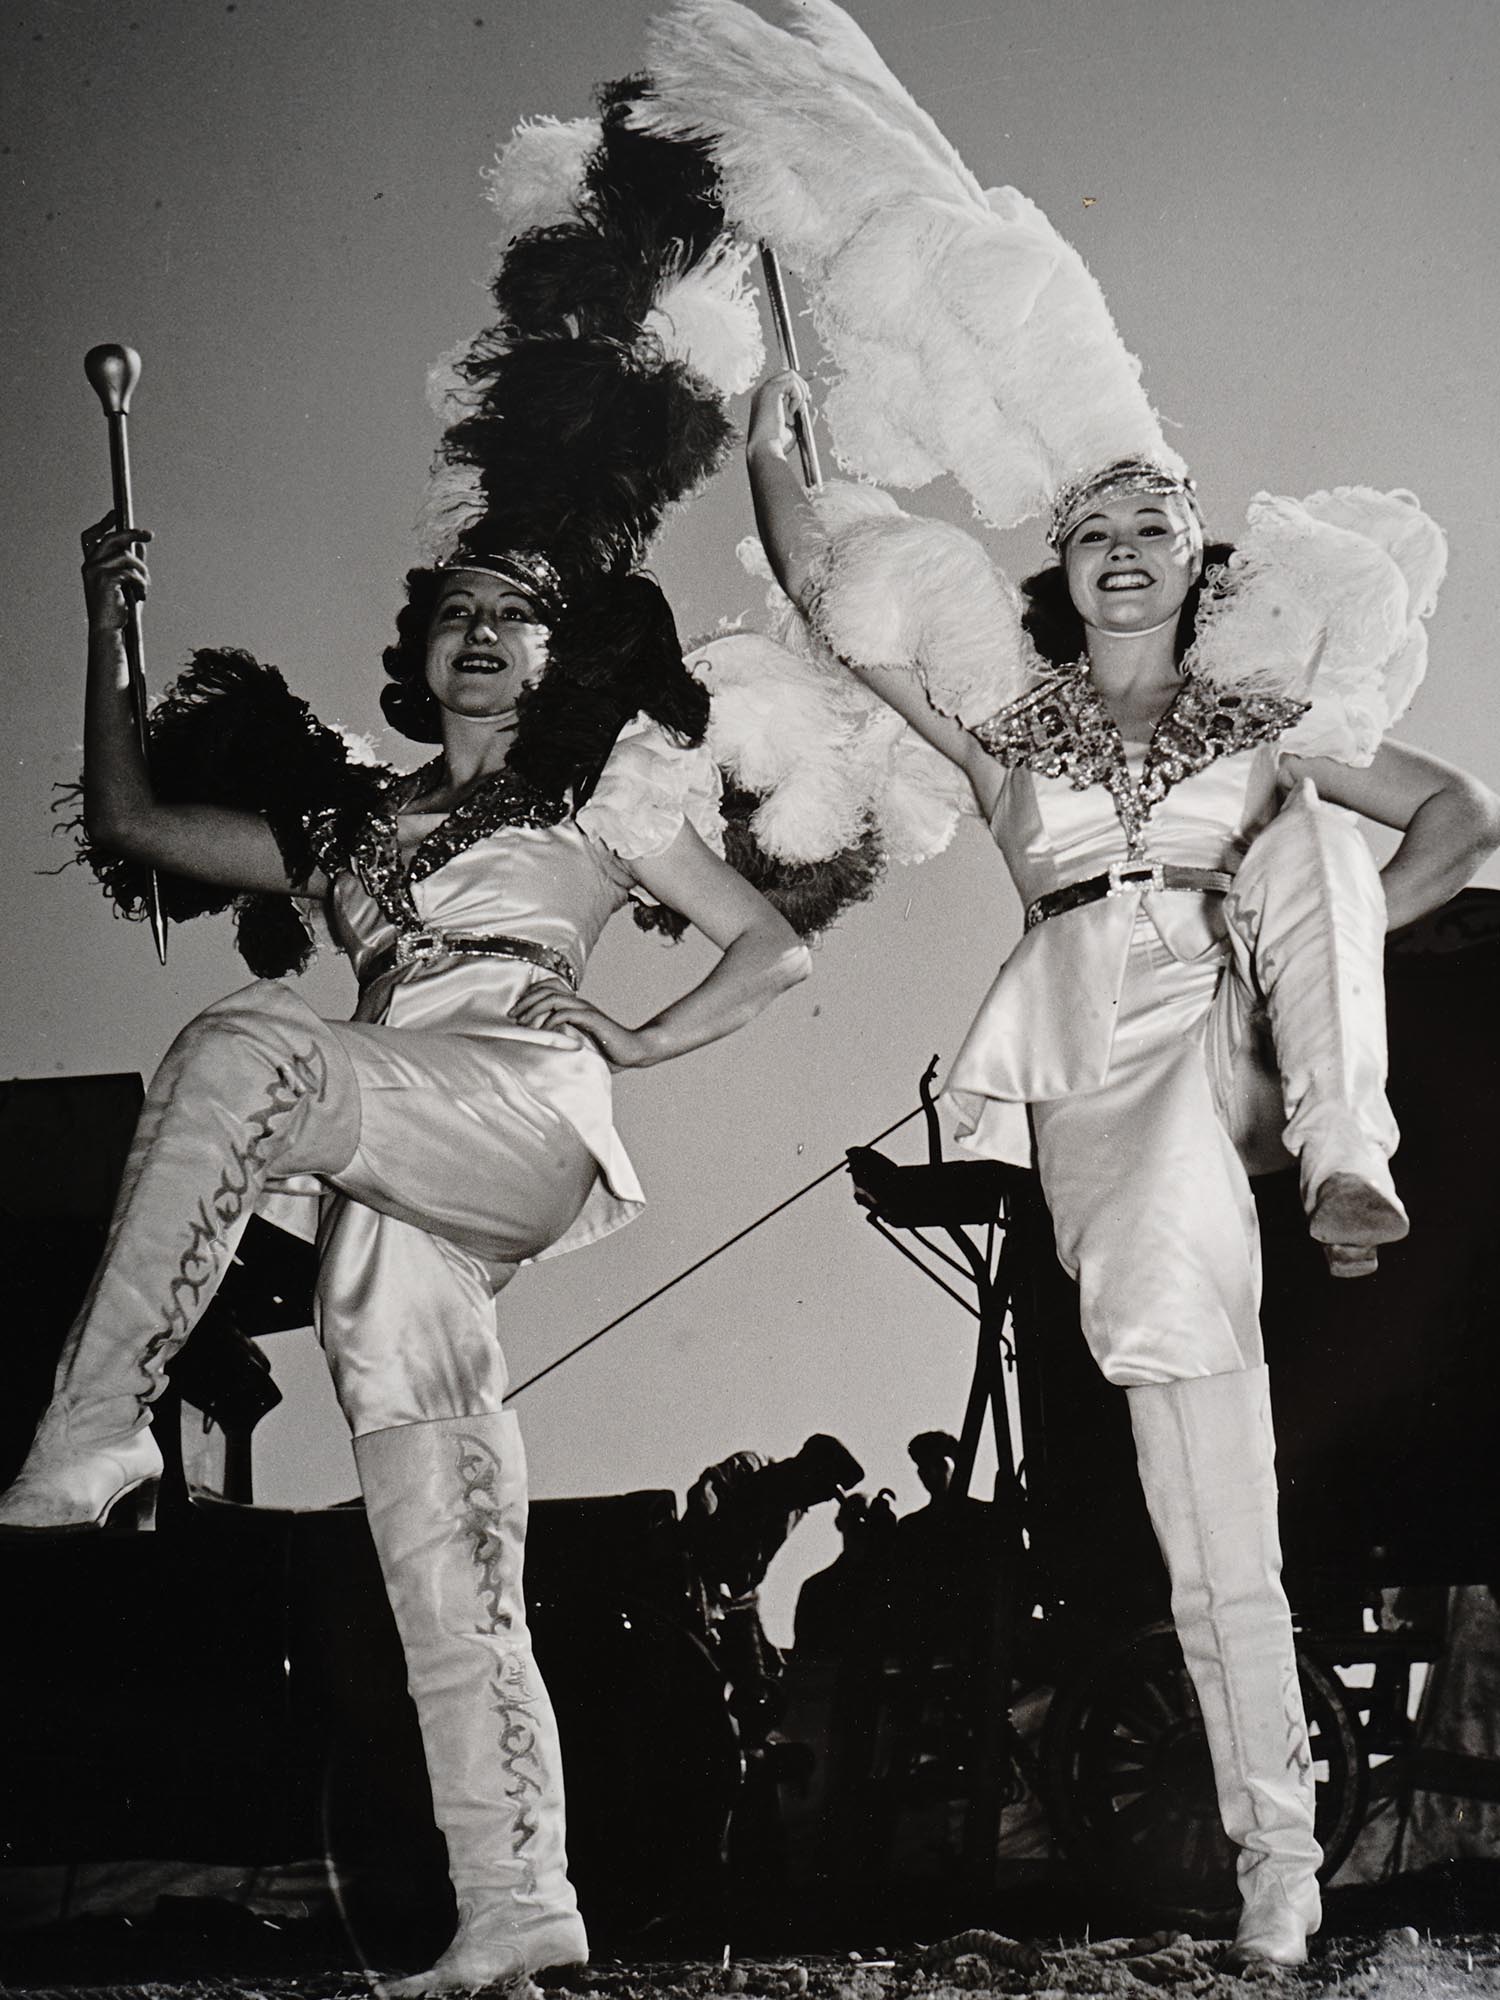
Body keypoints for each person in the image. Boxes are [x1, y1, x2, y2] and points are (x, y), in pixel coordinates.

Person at [746, 366, 1500, 1966]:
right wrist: (771, 450)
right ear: (1064, 572)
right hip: (1102, 1062)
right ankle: (1276, 1867)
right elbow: (842, 609)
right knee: (1208, 1489)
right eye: (1094, 530)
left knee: (1305, 841)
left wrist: (1342, 952)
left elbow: (1458, 816)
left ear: (1197, 558)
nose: (1126, 547)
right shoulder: (1011, 732)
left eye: (1157, 522)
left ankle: (1347, 1153)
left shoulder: (1266, 717)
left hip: (1253, 1033)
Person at [0, 520, 810, 1995]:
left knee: (242, 1049)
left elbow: (771, 946)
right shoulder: (351, 825)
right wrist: (108, 629)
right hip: (386, 1158)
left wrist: (637, 1037)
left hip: (512, 1103)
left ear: (556, 658)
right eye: (456, 610)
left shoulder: (593, 795)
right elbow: (128, 822)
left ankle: (101, 1422)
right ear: (416, 653)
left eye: (516, 614)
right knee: (442, 1550)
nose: (483, 631)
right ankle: (517, 1901)